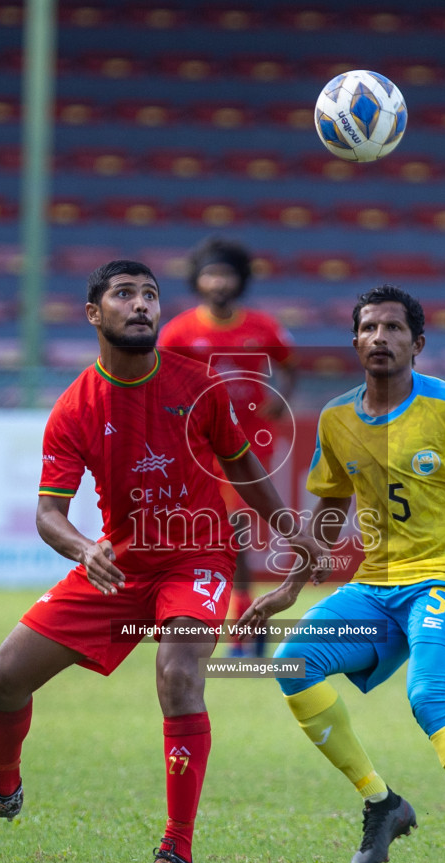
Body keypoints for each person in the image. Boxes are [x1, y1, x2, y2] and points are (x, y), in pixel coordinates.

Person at [0, 260, 327, 863]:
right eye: (125, 294)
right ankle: (0, 790)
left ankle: (176, 856)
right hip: (120, 566)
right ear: (93, 313)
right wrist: (84, 548)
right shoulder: (76, 407)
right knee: (3, 678)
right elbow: (49, 515)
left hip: (196, 557)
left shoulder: (201, 386)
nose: (141, 305)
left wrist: (288, 528)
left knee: (179, 675)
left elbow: (244, 469)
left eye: (150, 295)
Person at [237, 285, 445, 863]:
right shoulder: (336, 418)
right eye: (369, 328)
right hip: (377, 587)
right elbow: (330, 508)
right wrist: (288, 589)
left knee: (430, 698)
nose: (379, 338)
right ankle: (383, 802)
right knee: (292, 665)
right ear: (355, 340)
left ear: (418, 343)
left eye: (392, 329)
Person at [158, 237, 296, 656]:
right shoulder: (179, 331)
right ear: (198, 281)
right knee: (209, 536)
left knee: (234, 531)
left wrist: (279, 395)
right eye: (211, 274)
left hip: (248, 447)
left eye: (226, 274)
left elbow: (289, 367)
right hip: (197, 447)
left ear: (240, 280)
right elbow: (157, 381)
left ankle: (243, 624)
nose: (219, 282)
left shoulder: (263, 327)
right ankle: (224, 620)